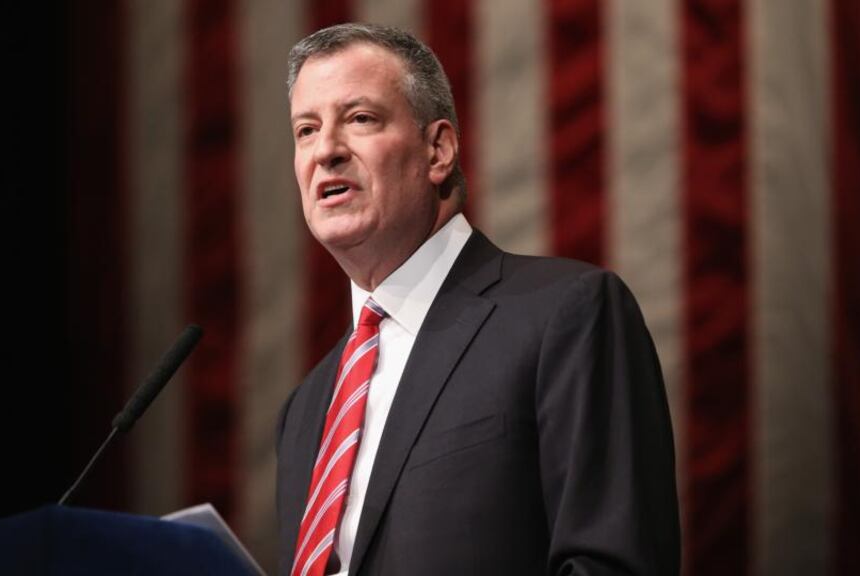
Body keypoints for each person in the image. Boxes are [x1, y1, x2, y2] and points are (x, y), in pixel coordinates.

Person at [276, 23, 680, 576]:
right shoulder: (304, 410)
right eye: (306, 129)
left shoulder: (567, 314)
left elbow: (613, 563)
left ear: (437, 150)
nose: (325, 151)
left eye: (360, 119)